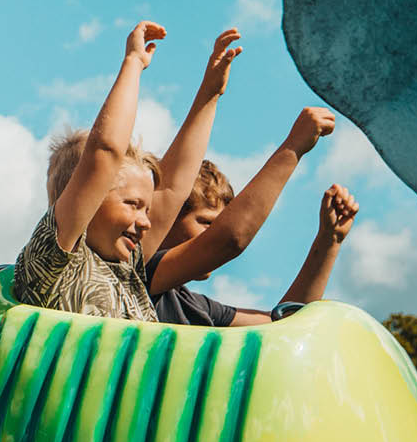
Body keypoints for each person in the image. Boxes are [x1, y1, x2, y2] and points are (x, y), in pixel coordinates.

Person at [14, 22, 239, 319]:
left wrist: (210, 94)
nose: (146, 222)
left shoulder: (126, 267)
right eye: (133, 204)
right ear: (88, 195)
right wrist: (133, 63)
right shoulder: (53, 261)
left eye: (146, 209)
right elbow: (104, 153)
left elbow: (173, 188)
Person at [145, 106, 358, 325]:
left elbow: (286, 326)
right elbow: (228, 240)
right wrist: (294, 146)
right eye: (206, 222)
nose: (213, 232)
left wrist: (329, 239)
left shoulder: (193, 306)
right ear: (166, 219)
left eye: (219, 223)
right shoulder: (140, 274)